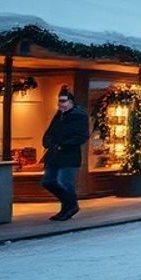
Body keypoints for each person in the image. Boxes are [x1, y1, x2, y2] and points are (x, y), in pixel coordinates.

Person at [41, 86, 90, 222]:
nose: (61, 105)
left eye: (63, 101)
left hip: (69, 155)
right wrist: (47, 142)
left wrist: (64, 145)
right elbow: (50, 131)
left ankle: (68, 207)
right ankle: (71, 205)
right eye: (59, 102)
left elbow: (82, 136)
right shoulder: (59, 115)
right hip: (54, 154)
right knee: (48, 181)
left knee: (64, 182)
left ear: (71, 102)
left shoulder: (79, 115)